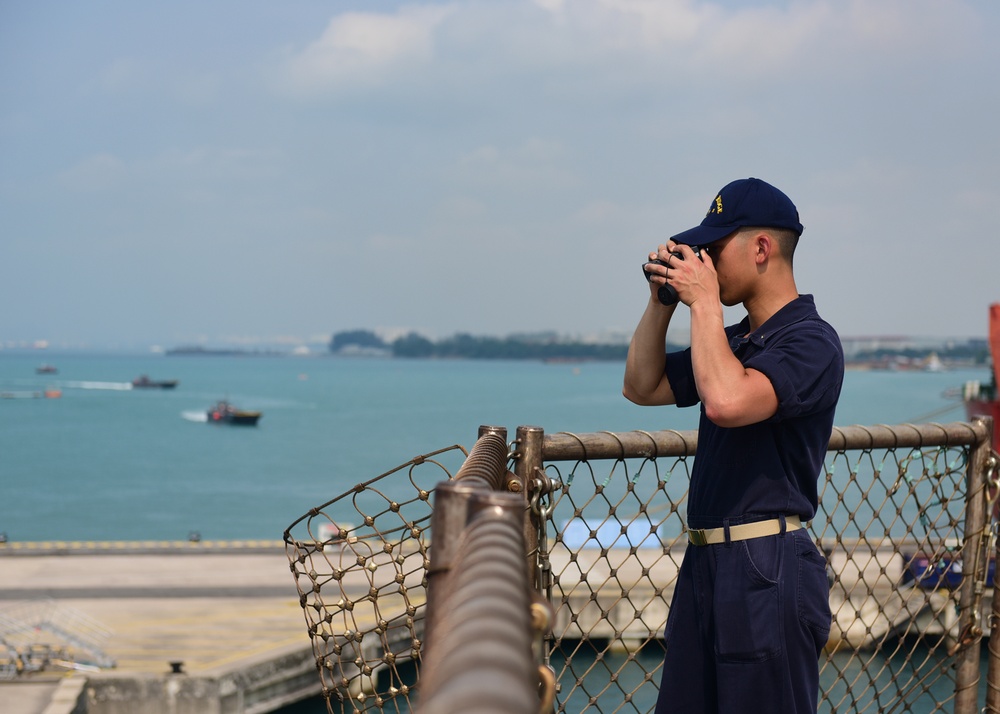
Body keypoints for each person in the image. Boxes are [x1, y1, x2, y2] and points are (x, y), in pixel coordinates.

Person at [623, 177, 843, 713]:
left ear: (762, 248)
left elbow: (726, 401)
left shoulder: (812, 341)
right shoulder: (735, 341)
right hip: (705, 563)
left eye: (715, 248)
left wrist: (703, 306)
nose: (705, 262)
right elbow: (641, 385)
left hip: (766, 563)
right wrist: (663, 303)